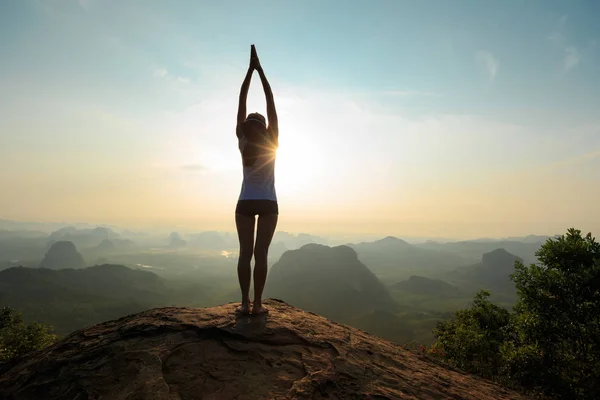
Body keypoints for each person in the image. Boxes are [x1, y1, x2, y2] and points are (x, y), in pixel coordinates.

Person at [234, 45, 279, 315]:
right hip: (269, 203)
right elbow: (270, 101)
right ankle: (259, 305)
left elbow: (241, 101)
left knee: (244, 253)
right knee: (261, 254)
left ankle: (243, 303)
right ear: (263, 125)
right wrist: (261, 72)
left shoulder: (242, 141)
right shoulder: (273, 141)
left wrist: (248, 73)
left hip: (245, 203)